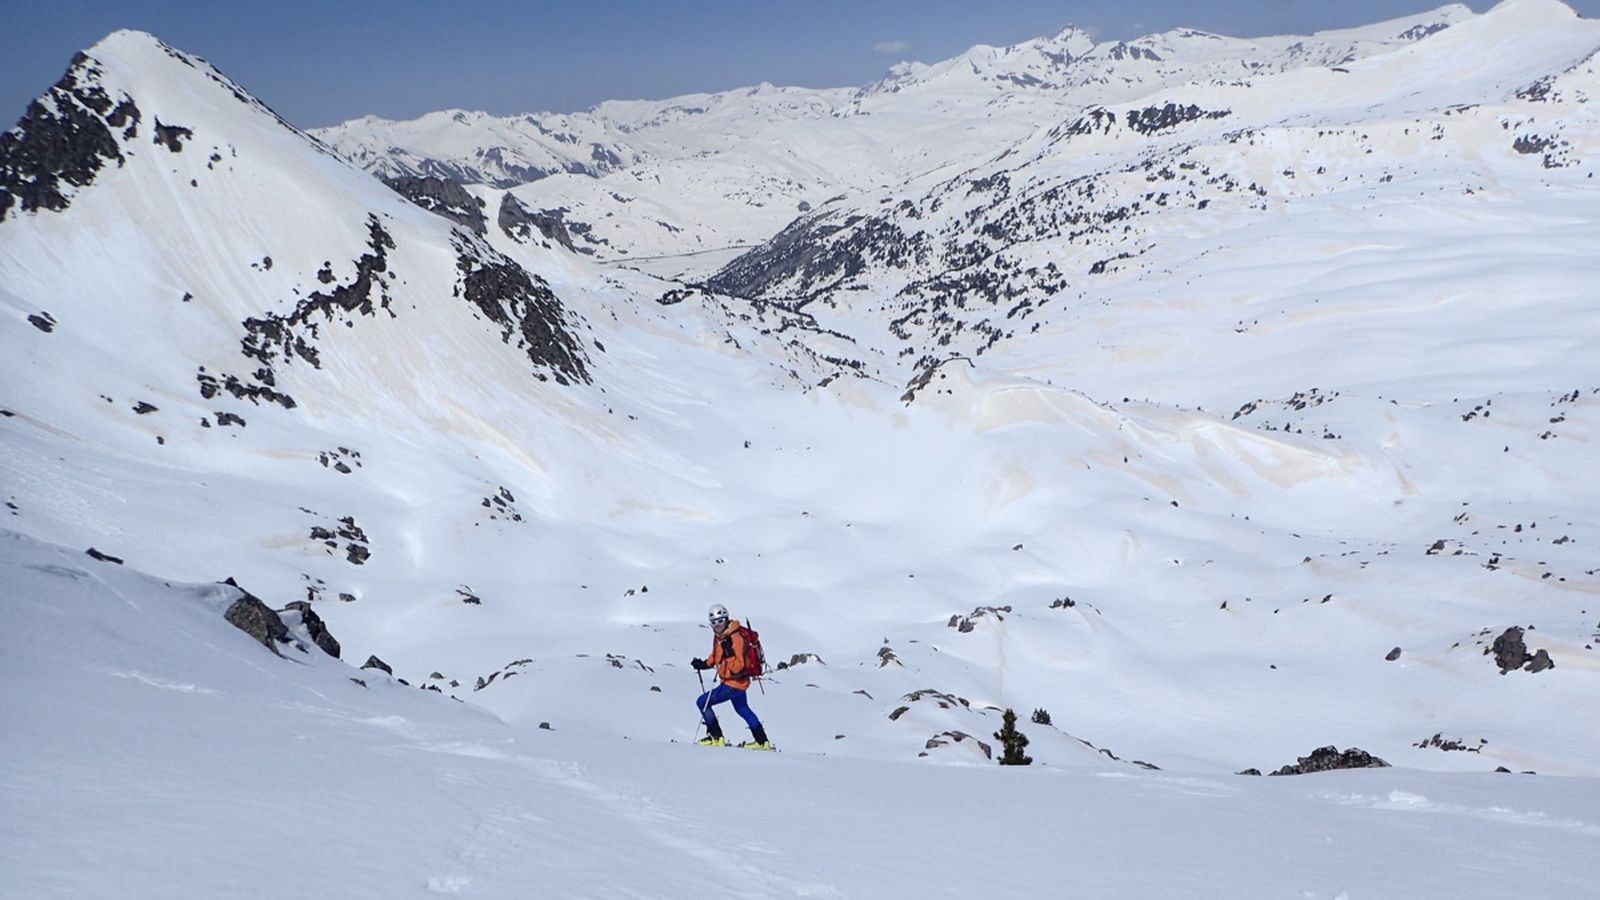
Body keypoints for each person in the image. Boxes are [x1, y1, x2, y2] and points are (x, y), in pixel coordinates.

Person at [691, 603, 772, 749]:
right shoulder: (721, 637)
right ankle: (762, 742)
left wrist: (728, 655)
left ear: (726, 619)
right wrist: (703, 664)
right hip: (737, 683)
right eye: (714, 622)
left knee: (702, 702)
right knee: (743, 709)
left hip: (733, 683)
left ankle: (716, 737)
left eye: (720, 621)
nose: (717, 625)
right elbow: (716, 656)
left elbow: (739, 664)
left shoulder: (735, 638)